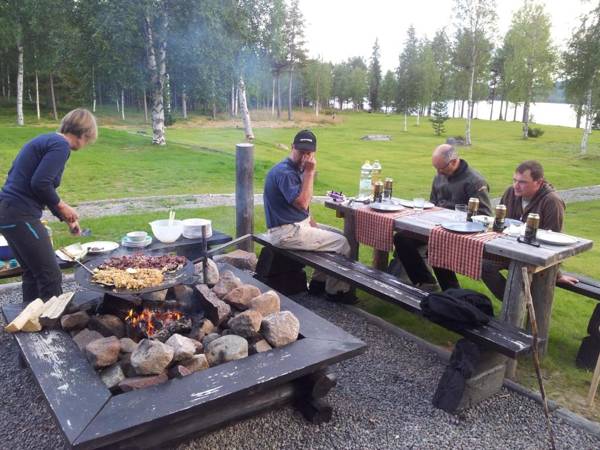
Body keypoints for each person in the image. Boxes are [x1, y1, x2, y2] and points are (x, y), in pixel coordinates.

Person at [0, 108, 97, 303]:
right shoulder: (61, 145)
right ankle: (52, 327)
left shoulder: (47, 140)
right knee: (50, 275)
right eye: (89, 139)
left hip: (8, 212)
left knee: (32, 271)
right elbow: (40, 183)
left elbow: (40, 187)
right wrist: (62, 205)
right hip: (21, 214)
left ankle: (31, 322)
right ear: (84, 134)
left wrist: (65, 216)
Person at [263, 129, 355, 303]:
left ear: (314, 152)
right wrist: (310, 173)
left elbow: (303, 209)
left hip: (294, 226)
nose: (305, 157)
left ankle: (318, 284)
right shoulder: (286, 173)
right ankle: (337, 292)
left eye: (309, 152)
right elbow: (303, 202)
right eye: (301, 152)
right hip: (285, 233)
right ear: (292, 148)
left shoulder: (295, 169)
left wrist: (312, 222)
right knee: (342, 244)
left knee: (339, 235)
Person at [393, 144, 492, 291]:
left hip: (459, 232)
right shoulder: (440, 175)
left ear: (453, 161)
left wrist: (459, 219)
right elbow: (432, 203)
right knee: (401, 238)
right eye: (436, 168)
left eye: (441, 168)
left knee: (438, 246)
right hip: (434, 226)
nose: (438, 172)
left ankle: (452, 292)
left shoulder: (475, 182)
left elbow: (485, 216)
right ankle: (426, 281)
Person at [482, 160, 577, 299]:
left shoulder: (552, 201)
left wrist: (557, 275)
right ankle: (512, 301)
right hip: (509, 250)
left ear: (539, 182)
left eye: (522, 182)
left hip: (534, 257)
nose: (516, 185)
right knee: (478, 262)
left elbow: (554, 241)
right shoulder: (510, 192)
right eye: (514, 180)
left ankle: (517, 304)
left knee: (518, 270)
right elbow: (500, 224)